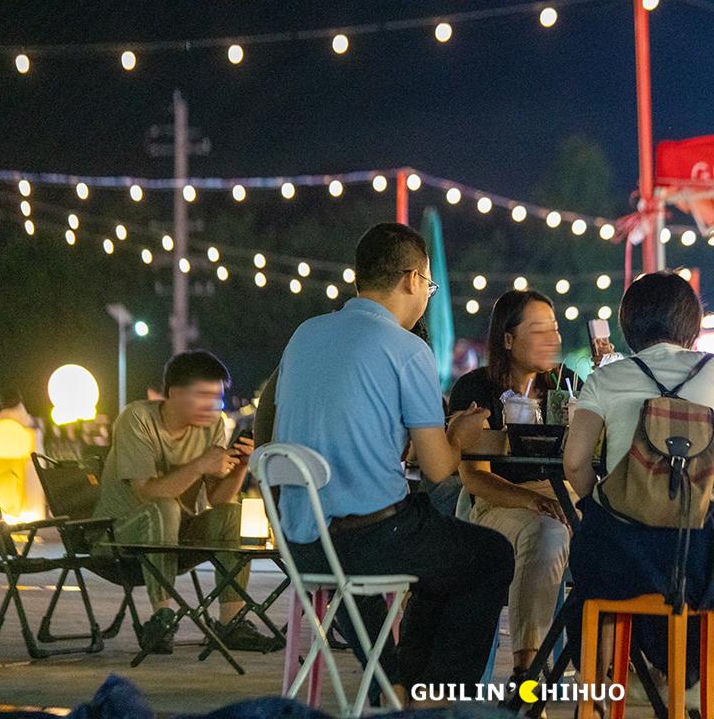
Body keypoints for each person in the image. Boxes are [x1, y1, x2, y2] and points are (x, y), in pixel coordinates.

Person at [273, 223, 513, 706]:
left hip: (302, 545)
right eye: (429, 283)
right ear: (410, 278)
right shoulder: (407, 349)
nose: (427, 294)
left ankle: (398, 686)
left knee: (438, 548)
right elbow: (439, 470)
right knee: (489, 556)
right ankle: (439, 699)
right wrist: (460, 436)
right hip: (370, 541)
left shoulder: (304, 335)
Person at [564, 272, 714, 719]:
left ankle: (596, 701)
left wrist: (597, 505)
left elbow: (574, 463)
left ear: (628, 326)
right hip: (698, 555)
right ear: (693, 325)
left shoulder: (607, 378)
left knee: (588, 590)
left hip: (620, 556)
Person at [92, 351, 277, 654]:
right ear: (174, 393)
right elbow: (147, 494)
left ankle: (232, 621)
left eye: (216, 397)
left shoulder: (213, 425)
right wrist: (200, 465)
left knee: (233, 513)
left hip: (178, 535)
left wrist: (242, 464)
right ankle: (161, 618)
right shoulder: (137, 418)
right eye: (203, 395)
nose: (213, 405)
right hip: (119, 536)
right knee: (165, 507)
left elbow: (217, 500)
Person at [449, 289, 577, 681]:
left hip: (564, 498)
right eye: (538, 330)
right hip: (497, 502)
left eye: (554, 329)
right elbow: (474, 476)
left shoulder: (567, 385)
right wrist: (529, 499)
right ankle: (529, 668)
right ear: (507, 339)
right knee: (547, 532)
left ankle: (608, 677)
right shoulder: (476, 389)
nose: (550, 339)